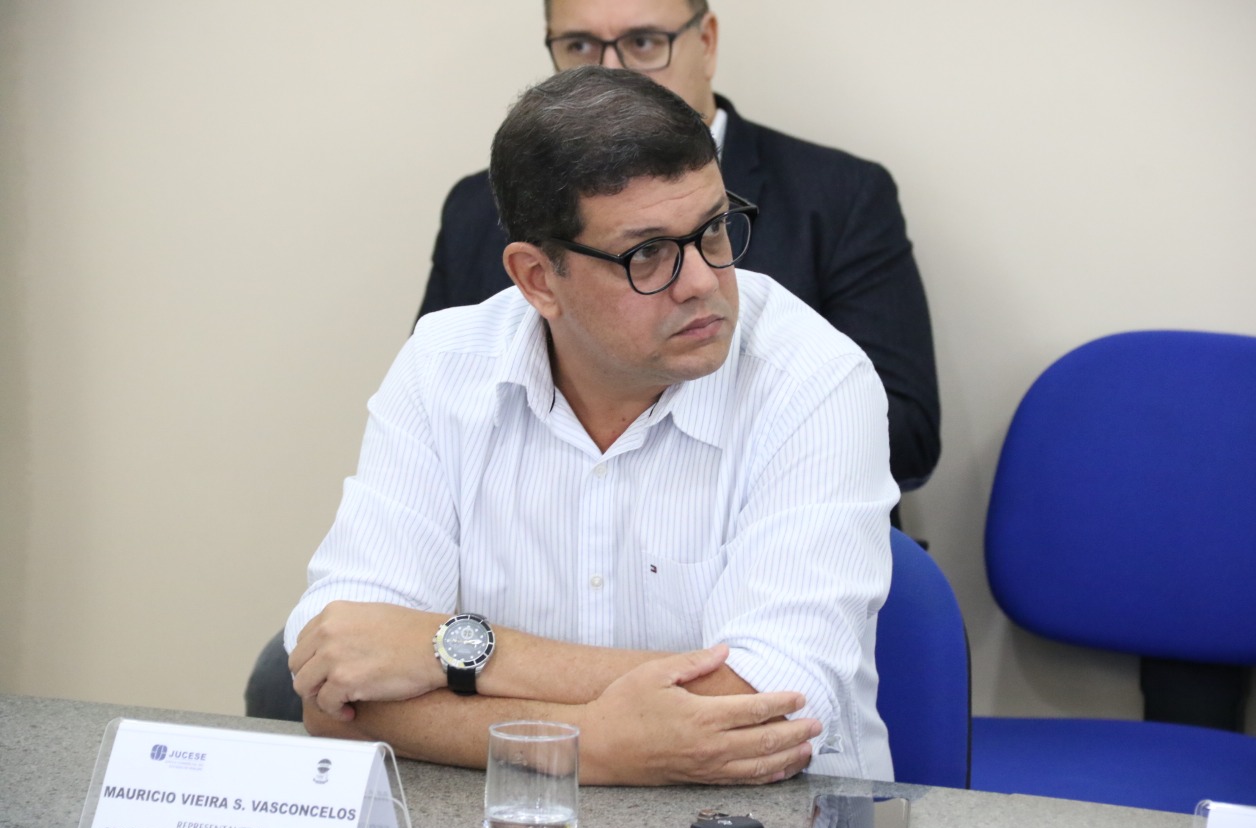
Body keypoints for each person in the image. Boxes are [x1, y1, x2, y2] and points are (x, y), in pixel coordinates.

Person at [285, 66, 898, 786]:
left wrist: (453, 652)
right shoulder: (443, 367)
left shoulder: (816, 380)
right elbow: (337, 684)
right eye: (648, 254)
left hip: (774, 816)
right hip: (509, 816)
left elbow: (767, 707)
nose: (702, 281)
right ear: (538, 279)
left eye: (713, 230)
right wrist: (596, 743)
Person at [419, 0, 940, 491]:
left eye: (644, 42)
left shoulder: (839, 193)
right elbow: (442, 407)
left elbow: (908, 433)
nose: (611, 72)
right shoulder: (477, 210)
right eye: (579, 46)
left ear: (706, 42)